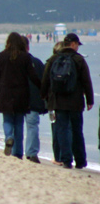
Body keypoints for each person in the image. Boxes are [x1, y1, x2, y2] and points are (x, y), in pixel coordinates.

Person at [40, 33, 94, 169]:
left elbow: (45, 80)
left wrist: (44, 96)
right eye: (77, 45)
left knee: (62, 130)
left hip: (58, 101)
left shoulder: (53, 59)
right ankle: (80, 161)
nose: (78, 48)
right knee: (77, 131)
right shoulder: (79, 60)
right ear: (74, 44)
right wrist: (90, 99)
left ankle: (66, 160)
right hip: (76, 102)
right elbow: (87, 81)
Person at [0, 32, 41, 159]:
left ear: (7, 42)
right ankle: (18, 153)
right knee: (19, 123)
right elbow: (32, 75)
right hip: (21, 94)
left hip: (5, 93)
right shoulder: (25, 57)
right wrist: (42, 88)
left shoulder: (1, 56)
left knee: (7, 120)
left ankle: (9, 137)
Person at [23, 36, 47, 163]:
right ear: (28, 47)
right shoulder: (36, 63)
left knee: (16, 124)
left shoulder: (12, 62)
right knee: (32, 126)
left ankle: (16, 151)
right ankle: (31, 152)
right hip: (32, 101)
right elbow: (44, 82)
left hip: (16, 100)